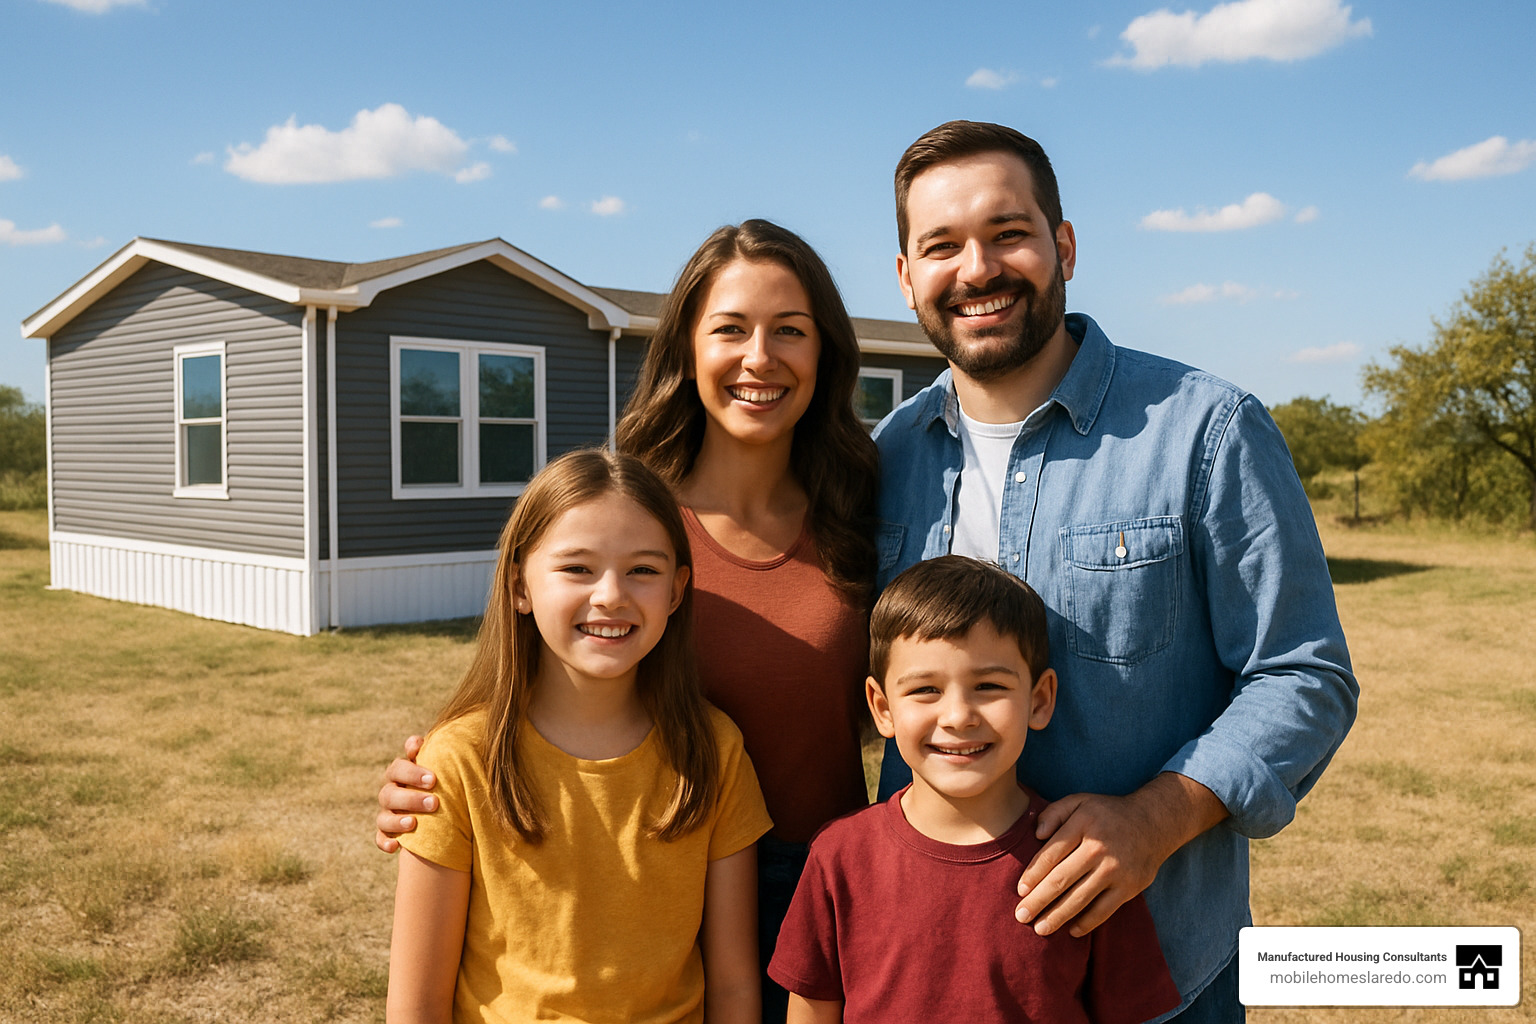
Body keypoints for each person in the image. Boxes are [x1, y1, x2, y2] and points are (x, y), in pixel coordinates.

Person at [873, 121, 1358, 1021]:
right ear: (907, 277)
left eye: (1008, 233)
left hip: (1165, 973)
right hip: (939, 974)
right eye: (941, 246)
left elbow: (1305, 675)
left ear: (1062, 246)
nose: (976, 269)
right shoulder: (887, 458)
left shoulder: (1205, 431)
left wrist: (1154, 818)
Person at [378, 220, 881, 1020]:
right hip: (632, 880)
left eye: (791, 330)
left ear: (826, 352)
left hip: (823, 880)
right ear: (686, 347)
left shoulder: (870, 508)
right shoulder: (628, 516)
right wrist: (428, 779)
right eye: (730, 329)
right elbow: (532, 672)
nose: (760, 357)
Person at [385, 448, 772, 1024]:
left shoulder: (715, 751)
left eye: (643, 569)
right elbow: (416, 1005)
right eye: (577, 568)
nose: (611, 594)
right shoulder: (459, 760)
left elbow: (736, 987)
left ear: (676, 589)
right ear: (520, 586)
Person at [767, 556, 1183, 1024]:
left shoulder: (1085, 859)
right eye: (925, 690)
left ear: (1040, 699)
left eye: (988, 685)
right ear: (882, 708)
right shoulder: (839, 858)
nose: (958, 716)